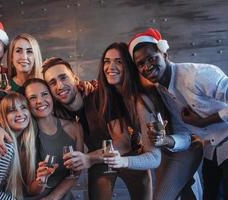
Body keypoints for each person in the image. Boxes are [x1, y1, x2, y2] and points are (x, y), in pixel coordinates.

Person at [127, 28, 228, 199]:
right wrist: (166, 140)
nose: (147, 66)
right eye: (141, 63)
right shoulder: (163, 93)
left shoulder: (196, 75)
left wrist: (205, 122)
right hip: (211, 151)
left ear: (164, 54)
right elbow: (185, 134)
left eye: (152, 58)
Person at [61, 43, 161, 200]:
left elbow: (125, 145)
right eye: (107, 61)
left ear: (128, 65)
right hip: (103, 155)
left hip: (133, 155)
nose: (110, 66)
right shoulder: (103, 93)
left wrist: (89, 158)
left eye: (119, 61)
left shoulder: (140, 100)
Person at [23, 78, 84, 200]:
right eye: (32, 98)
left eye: (44, 94)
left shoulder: (74, 128)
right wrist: (41, 180)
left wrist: (54, 197)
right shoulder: (24, 136)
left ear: (52, 97)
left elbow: (75, 172)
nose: (40, 101)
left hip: (61, 196)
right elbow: (29, 190)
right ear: (27, 104)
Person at [0, 33, 43, 103]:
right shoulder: (5, 87)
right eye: (18, 51)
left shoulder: (45, 84)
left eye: (29, 51)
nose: (24, 57)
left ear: (35, 57)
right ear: (11, 57)